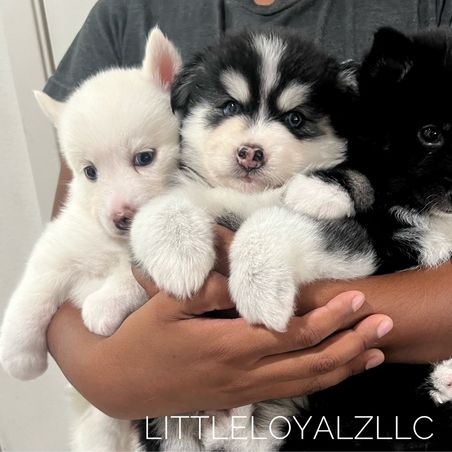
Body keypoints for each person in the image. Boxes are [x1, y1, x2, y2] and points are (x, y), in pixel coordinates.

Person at [45, 0, 452, 449]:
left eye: (294, 119)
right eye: (227, 107)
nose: (251, 148)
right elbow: (77, 232)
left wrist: (263, 309)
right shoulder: (128, 13)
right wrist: (106, 375)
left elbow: (356, 249)